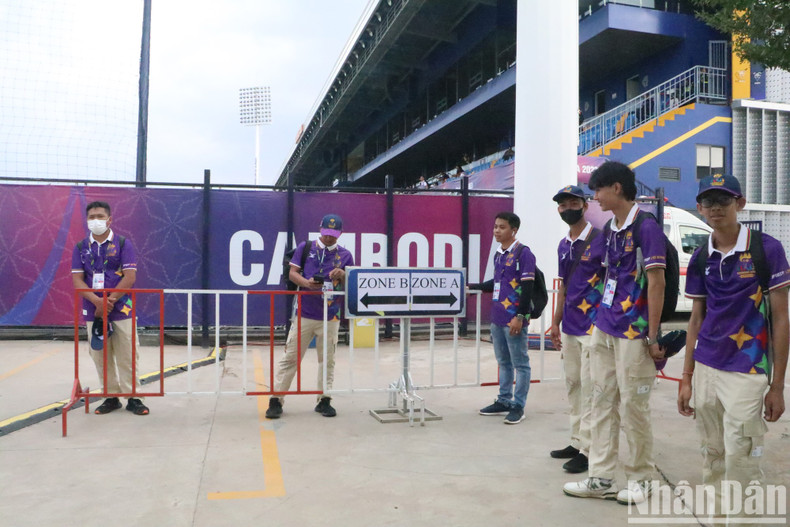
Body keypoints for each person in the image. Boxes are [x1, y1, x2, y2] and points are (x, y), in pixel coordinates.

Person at [678, 174, 789, 521]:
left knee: (741, 458)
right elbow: (696, 319)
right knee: (712, 455)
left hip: (748, 369)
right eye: (708, 202)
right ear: (699, 208)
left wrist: (777, 386)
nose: (716, 208)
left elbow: (781, 319)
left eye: (723, 200)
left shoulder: (766, 249)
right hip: (706, 367)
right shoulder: (701, 256)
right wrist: (686, 377)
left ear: (739, 203)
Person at [563, 161, 666, 504]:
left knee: (634, 406)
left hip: (634, 331)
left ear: (617, 188)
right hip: (605, 326)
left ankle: (641, 479)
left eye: (598, 190)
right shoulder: (610, 227)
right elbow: (609, 276)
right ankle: (601, 476)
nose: (595, 197)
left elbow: (657, 282)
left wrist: (652, 335)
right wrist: (597, 319)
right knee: (601, 400)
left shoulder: (646, 227)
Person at [266, 214, 354, 419]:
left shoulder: (346, 255)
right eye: (326, 233)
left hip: (331, 315)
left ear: (340, 234)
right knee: (290, 357)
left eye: (333, 234)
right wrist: (306, 283)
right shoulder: (306, 247)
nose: (329, 238)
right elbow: (292, 273)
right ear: (320, 229)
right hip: (304, 313)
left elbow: (351, 282)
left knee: (328, 360)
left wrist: (343, 275)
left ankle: (324, 400)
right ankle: (276, 399)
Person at [71, 201, 148, 416]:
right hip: (93, 310)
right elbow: (78, 280)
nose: (96, 220)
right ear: (87, 220)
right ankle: (110, 397)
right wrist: (97, 303)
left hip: (122, 308)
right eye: (92, 217)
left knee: (127, 354)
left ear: (109, 220)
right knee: (100, 356)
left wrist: (109, 301)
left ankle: (134, 397)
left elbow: (130, 277)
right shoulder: (81, 247)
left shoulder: (123, 244)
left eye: (100, 216)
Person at [549, 185, 604, 474]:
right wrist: (555, 322)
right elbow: (564, 287)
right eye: (563, 205)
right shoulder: (563, 244)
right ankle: (576, 439)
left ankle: (589, 449)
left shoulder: (601, 240)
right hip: (570, 325)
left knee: (591, 389)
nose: (568, 208)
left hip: (593, 326)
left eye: (573, 203)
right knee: (573, 384)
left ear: (585, 206)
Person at [470, 211, 536, 425]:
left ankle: (518, 406)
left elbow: (528, 288)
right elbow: (497, 283)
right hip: (497, 318)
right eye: (495, 226)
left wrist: (520, 316)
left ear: (514, 230)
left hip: (514, 319)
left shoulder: (524, 254)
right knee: (504, 362)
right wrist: (474, 287)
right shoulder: (499, 254)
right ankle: (504, 400)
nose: (496, 231)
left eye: (502, 227)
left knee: (521, 364)